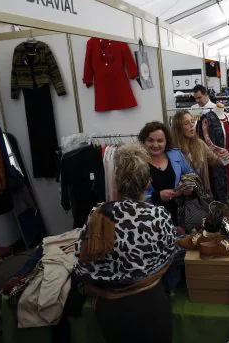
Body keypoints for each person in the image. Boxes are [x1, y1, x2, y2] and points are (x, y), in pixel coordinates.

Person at [73, 144, 177, 343]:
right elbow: (170, 255)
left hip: (112, 308)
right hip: (151, 304)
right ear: (147, 183)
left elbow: (81, 259)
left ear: (116, 182)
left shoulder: (98, 214)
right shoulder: (158, 215)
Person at [139, 121, 194, 229]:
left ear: (166, 141)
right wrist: (157, 197)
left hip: (180, 217)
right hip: (150, 222)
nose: (155, 145)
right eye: (150, 140)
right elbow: (131, 196)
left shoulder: (176, 155)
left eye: (160, 140)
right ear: (144, 141)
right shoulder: (138, 162)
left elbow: (191, 174)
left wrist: (188, 184)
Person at [170, 111, 227, 195]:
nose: (191, 125)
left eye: (192, 122)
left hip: (202, 194)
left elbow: (214, 161)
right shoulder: (172, 149)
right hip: (182, 198)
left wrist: (224, 158)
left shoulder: (200, 144)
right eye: (186, 123)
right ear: (178, 128)